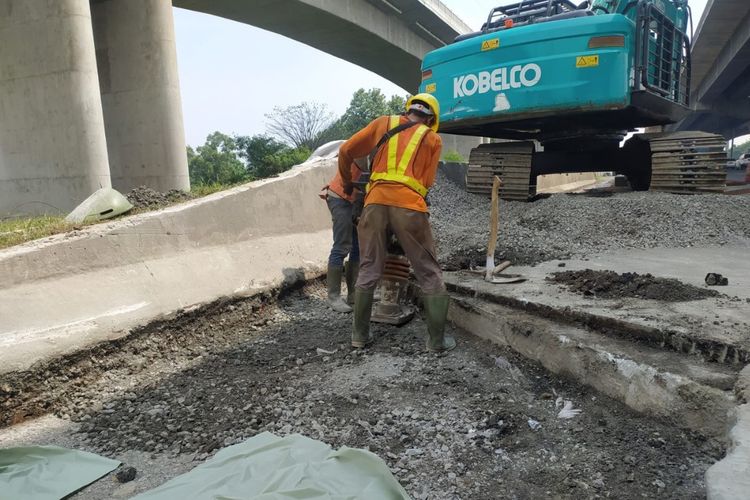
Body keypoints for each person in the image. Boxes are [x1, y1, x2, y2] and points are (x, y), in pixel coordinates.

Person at [337, 93, 456, 352]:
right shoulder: (432, 138)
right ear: (431, 118)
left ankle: (359, 336)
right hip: (410, 206)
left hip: (375, 202)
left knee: (369, 267)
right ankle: (436, 342)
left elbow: (345, 150)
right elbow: (427, 183)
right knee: (428, 271)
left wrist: (347, 183)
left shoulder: (383, 123)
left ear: (408, 110)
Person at [319, 160, 363, 312]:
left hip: (356, 201)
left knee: (357, 247)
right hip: (340, 197)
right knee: (343, 245)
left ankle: (353, 293)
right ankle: (334, 297)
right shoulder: (369, 148)